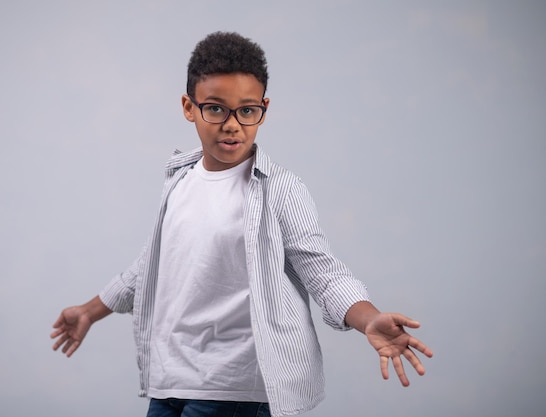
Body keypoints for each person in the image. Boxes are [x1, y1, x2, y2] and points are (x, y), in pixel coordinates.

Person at [51, 31, 433, 417]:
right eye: (215, 108)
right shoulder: (179, 181)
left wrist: (368, 318)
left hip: (234, 391)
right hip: (170, 381)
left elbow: (323, 273)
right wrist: (89, 311)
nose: (233, 124)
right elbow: (150, 266)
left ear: (263, 108)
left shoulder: (279, 190)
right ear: (189, 106)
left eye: (247, 110)